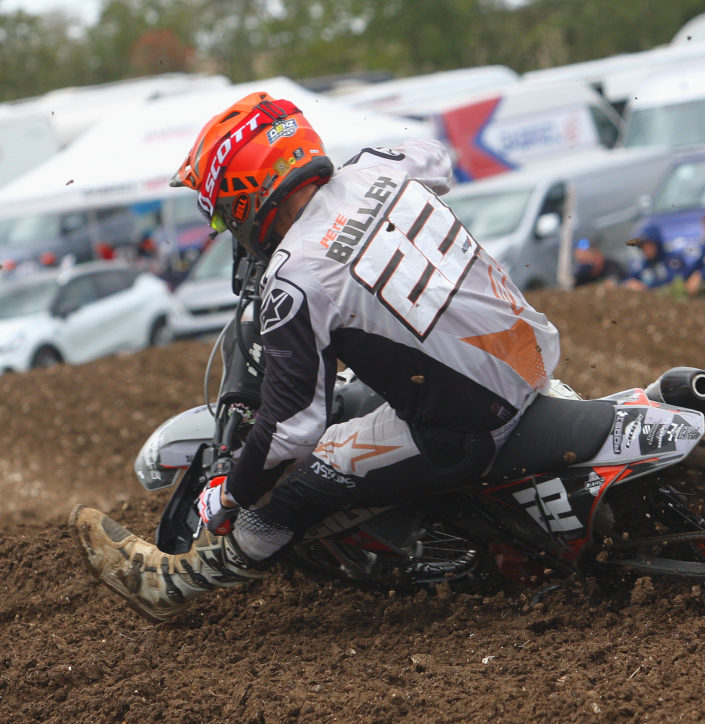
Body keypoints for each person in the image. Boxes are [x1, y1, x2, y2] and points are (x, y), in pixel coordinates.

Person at [69, 92, 561, 623]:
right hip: (531, 358)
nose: (228, 229)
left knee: (302, 479)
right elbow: (436, 157)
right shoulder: (376, 170)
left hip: (471, 423)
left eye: (223, 219)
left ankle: (175, 583)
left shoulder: (295, 275)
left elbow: (291, 432)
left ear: (244, 197)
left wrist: (231, 494)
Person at [622, 234, 686, 290]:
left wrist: (646, 288)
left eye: (650, 246)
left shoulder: (672, 259)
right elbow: (630, 280)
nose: (647, 250)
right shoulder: (642, 265)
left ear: (657, 245)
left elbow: (677, 281)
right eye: (644, 247)